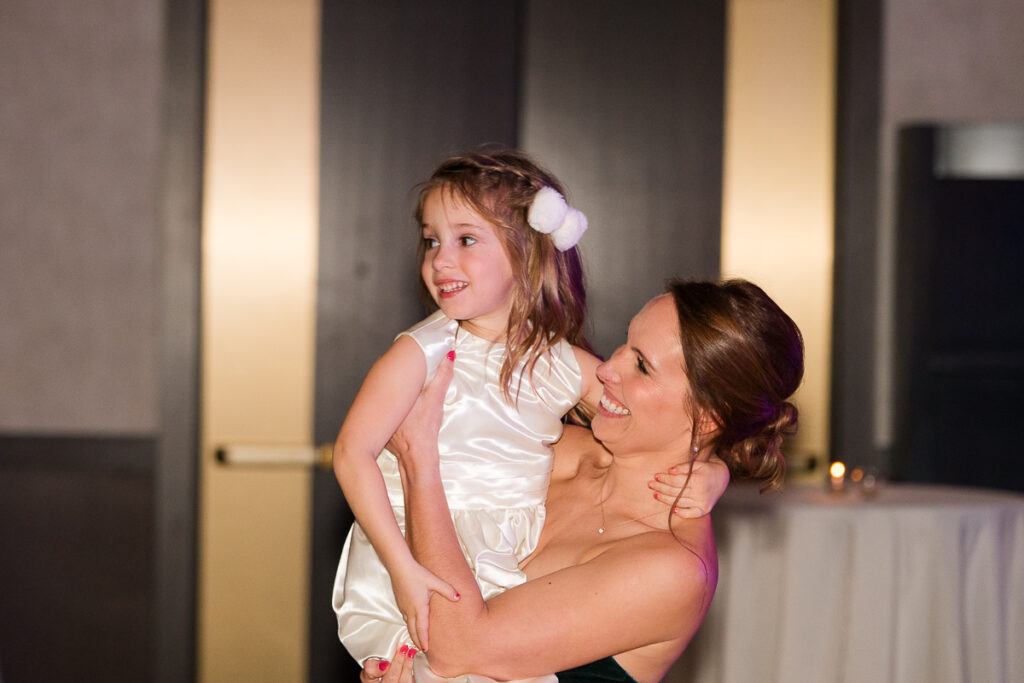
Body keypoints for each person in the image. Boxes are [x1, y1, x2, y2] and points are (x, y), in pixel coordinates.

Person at [332, 150, 725, 671]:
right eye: (432, 241)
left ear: (525, 255)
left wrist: (714, 470)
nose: (440, 260)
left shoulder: (555, 362)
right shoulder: (424, 353)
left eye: (465, 240)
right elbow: (351, 452)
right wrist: (401, 567)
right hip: (405, 554)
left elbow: (655, 422)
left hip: (494, 563)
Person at [363, 279, 804, 683]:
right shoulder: (562, 449)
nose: (608, 369)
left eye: (642, 366)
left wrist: (420, 463)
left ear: (708, 418)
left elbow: (459, 647)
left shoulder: (673, 569)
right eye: (625, 343)